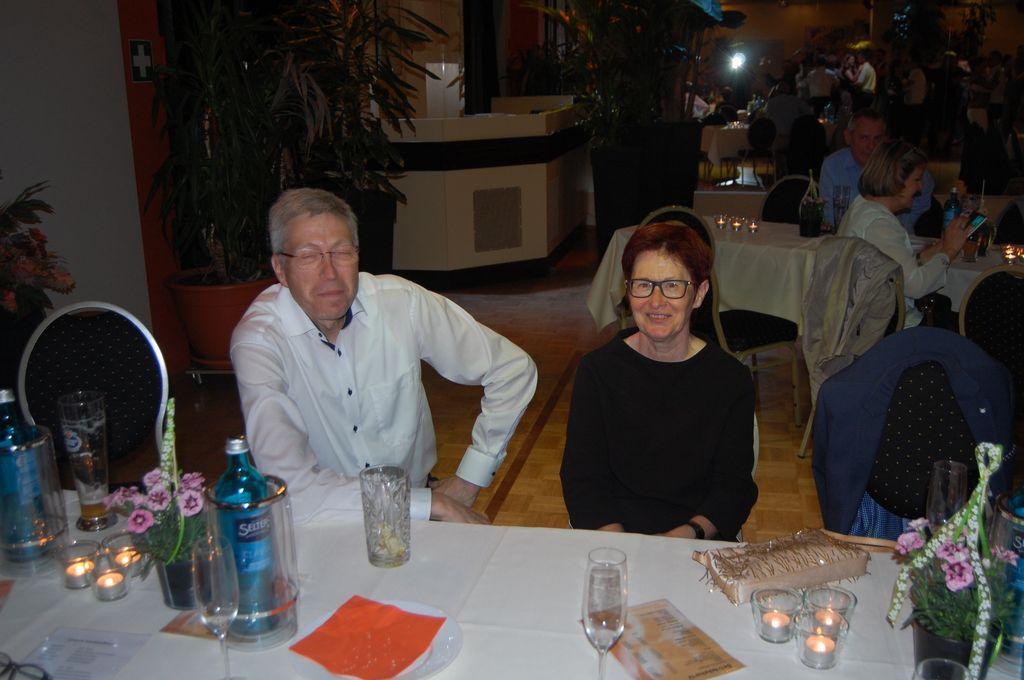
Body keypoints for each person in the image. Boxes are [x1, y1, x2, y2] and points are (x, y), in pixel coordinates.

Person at [230, 189, 538, 524]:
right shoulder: (261, 341)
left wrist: (469, 479)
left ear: (358, 256)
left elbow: (512, 369)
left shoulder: (400, 303)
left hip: (416, 509)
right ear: (279, 268)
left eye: (341, 252)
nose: (329, 272)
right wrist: (432, 505)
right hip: (323, 524)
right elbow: (292, 489)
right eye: (308, 256)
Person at [560, 223, 757, 540]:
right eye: (644, 285)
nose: (656, 301)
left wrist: (682, 538)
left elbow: (733, 488)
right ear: (628, 291)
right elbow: (583, 480)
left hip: (694, 542)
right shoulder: (597, 371)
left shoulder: (729, 380)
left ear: (699, 294)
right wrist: (620, 546)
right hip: (613, 539)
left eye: (672, 286)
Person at [837, 140, 970, 328]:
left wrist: (942, 246)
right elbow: (916, 286)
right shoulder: (879, 225)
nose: (921, 187)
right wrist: (949, 251)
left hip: (865, 320)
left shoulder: (862, 207)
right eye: (917, 180)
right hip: (890, 330)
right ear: (896, 180)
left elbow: (896, 268)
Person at [820, 108, 934, 233]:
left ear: (886, 140)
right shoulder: (834, 166)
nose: (871, 146)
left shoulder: (907, 168)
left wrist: (900, 226)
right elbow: (830, 218)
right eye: (864, 138)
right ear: (848, 137)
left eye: (877, 139)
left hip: (896, 237)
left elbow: (921, 201)